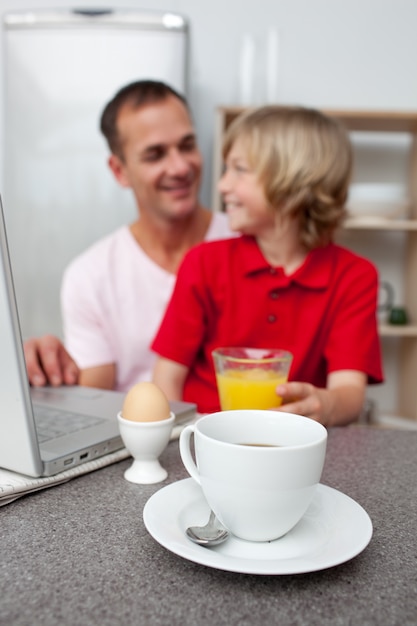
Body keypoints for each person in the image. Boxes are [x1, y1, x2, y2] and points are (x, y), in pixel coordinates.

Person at [152, 105, 383, 426]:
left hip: (292, 442)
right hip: (205, 437)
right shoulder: (203, 263)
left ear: (293, 182)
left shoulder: (353, 276)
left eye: (239, 169)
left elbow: (349, 393)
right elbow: (167, 378)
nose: (222, 186)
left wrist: (325, 405)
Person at [24, 80, 233, 391]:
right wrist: (53, 371)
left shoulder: (255, 244)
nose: (179, 167)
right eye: (155, 155)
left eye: (187, 145)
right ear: (119, 171)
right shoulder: (90, 276)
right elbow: (95, 394)